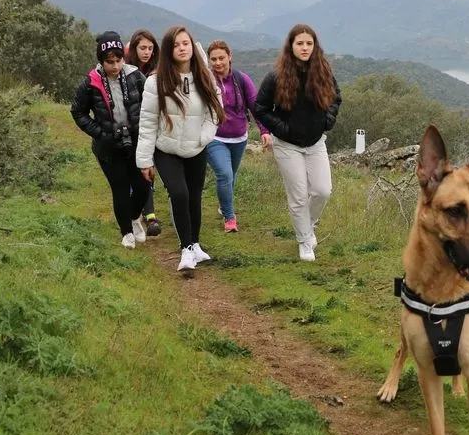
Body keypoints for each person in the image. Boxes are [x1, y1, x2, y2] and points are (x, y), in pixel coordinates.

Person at [136, 26, 224, 271]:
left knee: (194, 197)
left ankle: (195, 245)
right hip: (166, 148)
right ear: (168, 50)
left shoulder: (205, 77)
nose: (182, 48)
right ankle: (185, 249)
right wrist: (144, 160)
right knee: (179, 194)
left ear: (192, 47)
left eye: (186, 43)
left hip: (196, 148)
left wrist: (203, 138)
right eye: (176, 45)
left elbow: (214, 113)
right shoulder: (156, 82)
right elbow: (148, 121)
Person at [253, 23, 342, 262]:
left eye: (309, 43)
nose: (305, 48)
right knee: (299, 196)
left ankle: (308, 225)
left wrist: (328, 120)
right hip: (287, 145)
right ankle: (304, 242)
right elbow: (260, 108)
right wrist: (281, 129)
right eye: (300, 43)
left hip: (315, 142)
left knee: (323, 190)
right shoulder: (276, 76)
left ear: (315, 46)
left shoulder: (323, 71)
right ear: (291, 46)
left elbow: (336, 97)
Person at [71, 31, 150, 249]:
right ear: (101, 61)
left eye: (118, 60)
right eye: (109, 62)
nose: (115, 66)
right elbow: (78, 112)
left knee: (143, 187)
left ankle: (135, 217)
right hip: (108, 146)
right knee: (120, 188)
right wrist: (100, 133)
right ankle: (126, 232)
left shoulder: (135, 77)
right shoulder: (90, 82)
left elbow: (151, 105)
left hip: (135, 142)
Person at [206, 39, 272, 232]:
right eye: (213, 59)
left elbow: (255, 107)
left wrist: (264, 131)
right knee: (224, 174)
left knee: (231, 176)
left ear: (230, 57)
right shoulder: (206, 80)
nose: (218, 63)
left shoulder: (241, 79)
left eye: (221, 58)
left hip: (239, 138)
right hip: (214, 137)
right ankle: (229, 217)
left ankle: (223, 204)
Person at [124, 29, 162, 237]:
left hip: (152, 128)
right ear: (134, 49)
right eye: (142, 48)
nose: (147, 52)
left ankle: (147, 214)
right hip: (131, 129)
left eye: (150, 48)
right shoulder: (126, 71)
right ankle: (146, 214)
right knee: (139, 171)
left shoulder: (158, 71)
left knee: (147, 171)